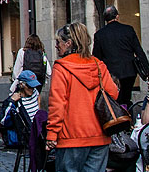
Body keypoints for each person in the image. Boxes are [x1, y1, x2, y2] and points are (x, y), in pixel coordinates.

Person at [46, 22, 119, 172]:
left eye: (58, 42)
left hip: (71, 137)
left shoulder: (62, 67)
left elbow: (57, 105)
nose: (56, 46)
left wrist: (52, 134)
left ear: (68, 43)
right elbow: (113, 94)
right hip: (99, 135)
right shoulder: (98, 65)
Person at [92, 6, 149, 106]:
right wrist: (147, 71)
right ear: (117, 16)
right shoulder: (128, 30)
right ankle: (127, 111)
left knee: (114, 99)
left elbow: (96, 57)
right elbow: (139, 51)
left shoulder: (100, 35)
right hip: (128, 71)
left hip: (111, 73)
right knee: (126, 97)